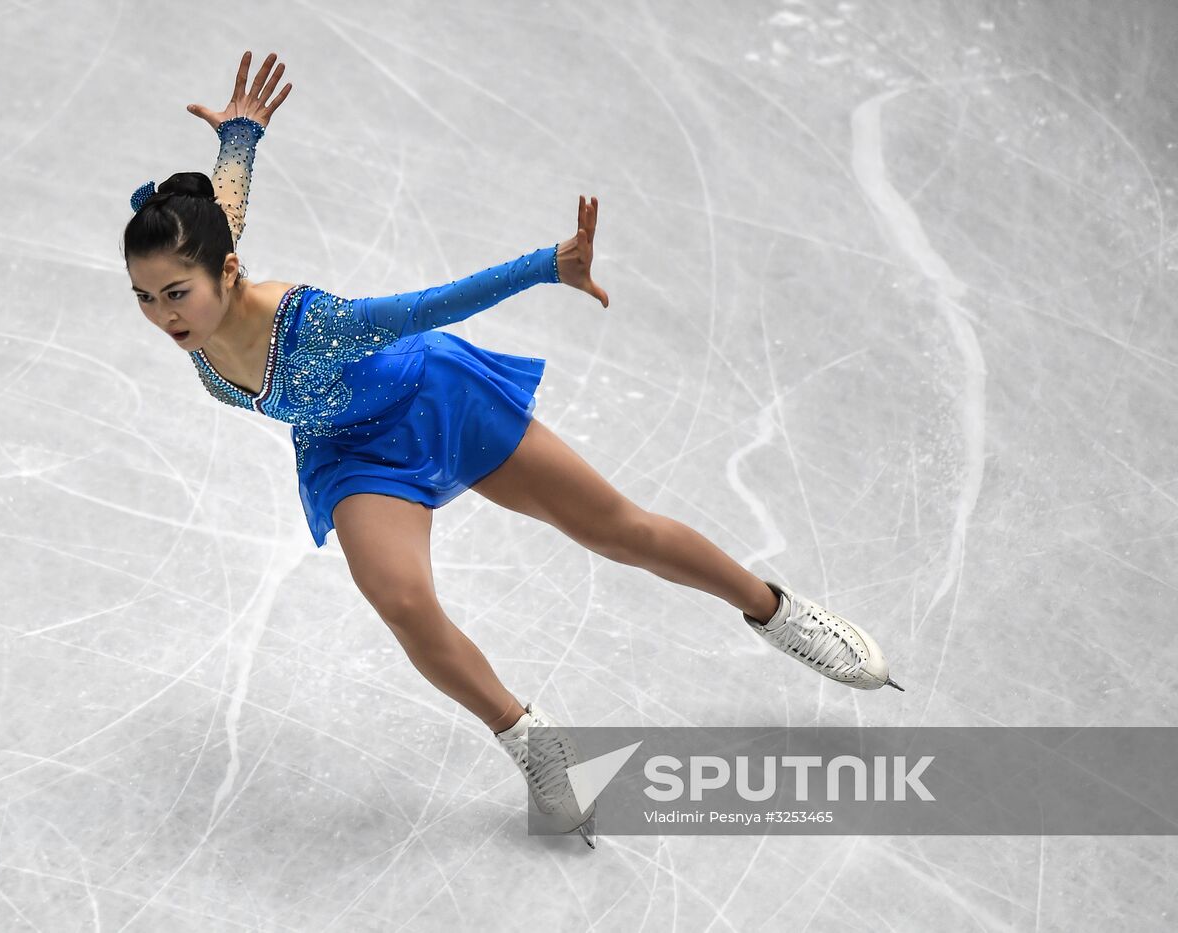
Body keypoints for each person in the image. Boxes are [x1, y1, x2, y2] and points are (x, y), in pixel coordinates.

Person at [121, 50, 903, 848]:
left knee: (615, 529)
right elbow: (223, 210)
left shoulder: (307, 321)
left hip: (442, 401)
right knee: (403, 602)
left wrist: (546, 266)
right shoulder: (198, 295)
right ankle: (534, 740)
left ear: (227, 272)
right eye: (144, 297)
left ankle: (776, 610)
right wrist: (241, 136)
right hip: (352, 455)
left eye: (175, 295)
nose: (163, 317)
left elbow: (425, 306)